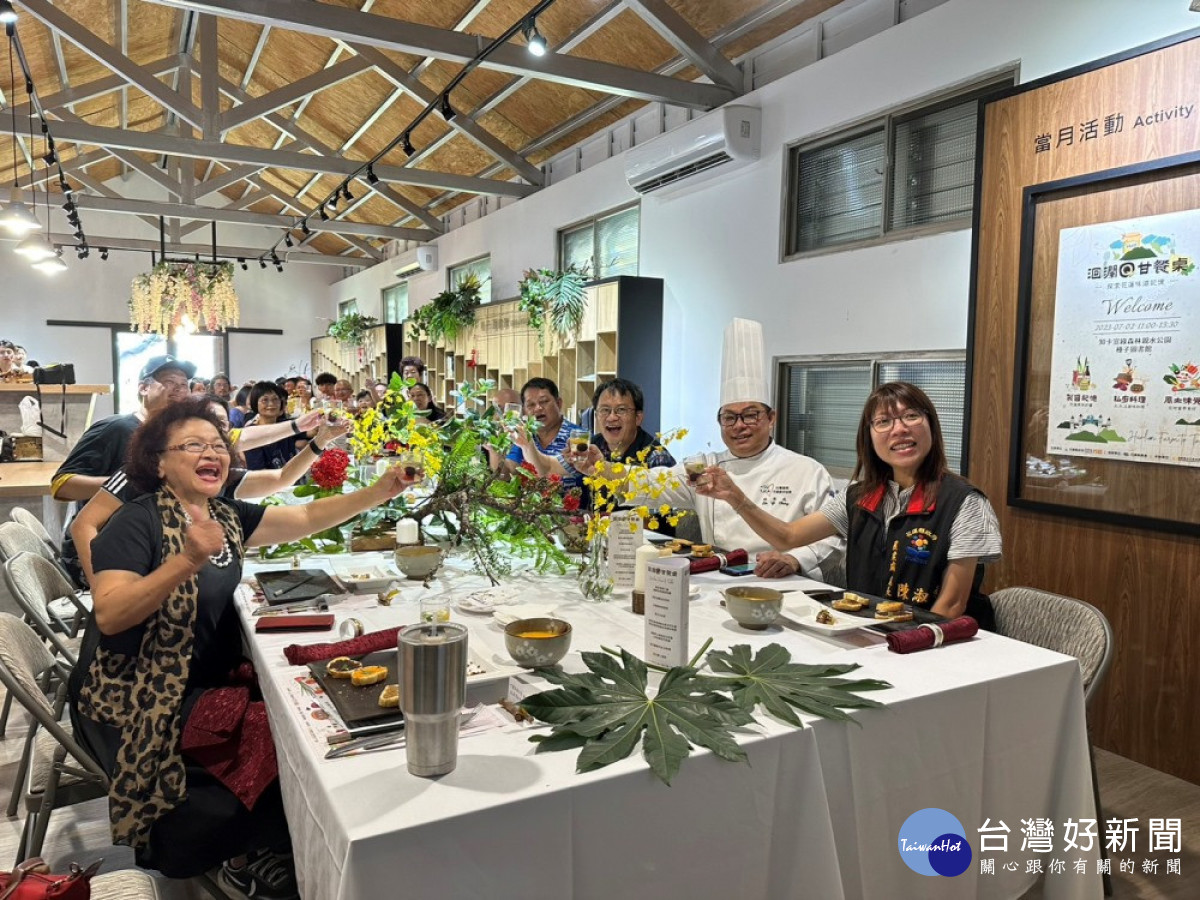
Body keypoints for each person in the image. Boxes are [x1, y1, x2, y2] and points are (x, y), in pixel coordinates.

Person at [68, 397, 418, 891]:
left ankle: (287, 846)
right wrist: (186, 560)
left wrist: (381, 491)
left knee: (303, 708)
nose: (211, 452)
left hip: (200, 676)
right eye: (192, 445)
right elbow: (110, 612)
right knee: (282, 733)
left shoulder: (225, 515)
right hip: (138, 694)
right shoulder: (137, 521)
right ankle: (247, 857)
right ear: (159, 462)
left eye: (217, 444)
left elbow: (303, 519)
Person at [698, 382, 1001, 626]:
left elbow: (950, 606)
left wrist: (903, 645)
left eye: (911, 416)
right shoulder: (859, 496)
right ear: (869, 437)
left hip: (933, 641)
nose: (899, 429)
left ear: (931, 426)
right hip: (868, 631)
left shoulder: (964, 501)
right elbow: (787, 537)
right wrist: (735, 497)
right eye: (883, 422)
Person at [594, 320, 843, 581]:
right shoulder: (704, 467)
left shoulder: (806, 470)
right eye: (730, 417)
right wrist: (598, 467)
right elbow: (648, 483)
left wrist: (793, 559)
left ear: (772, 418)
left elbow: (835, 538)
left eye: (750, 415)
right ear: (719, 422)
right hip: (719, 579)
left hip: (788, 583)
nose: (740, 426)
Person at [69, 401, 350, 587]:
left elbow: (282, 479)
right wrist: (102, 589)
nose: (211, 444)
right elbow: (84, 524)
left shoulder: (217, 478)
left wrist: (321, 439)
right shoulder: (140, 477)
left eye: (220, 433)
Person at [53, 355, 197, 584]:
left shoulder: (176, 437)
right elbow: (62, 485)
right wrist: (128, 484)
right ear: (143, 387)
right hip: (102, 554)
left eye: (184, 385)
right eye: (169, 383)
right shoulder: (116, 428)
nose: (179, 390)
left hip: (152, 544)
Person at [494, 377, 583, 489]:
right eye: (531, 405)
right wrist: (493, 447)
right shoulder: (526, 434)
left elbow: (547, 477)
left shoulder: (579, 437)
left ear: (559, 403)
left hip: (567, 505)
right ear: (524, 411)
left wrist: (528, 446)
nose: (538, 408)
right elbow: (506, 475)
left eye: (544, 401)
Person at [242, 381, 300, 470]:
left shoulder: (285, 426)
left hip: (293, 480)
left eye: (275, 399)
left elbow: (310, 431)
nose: (271, 404)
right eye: (265, 400)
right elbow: (258, 472)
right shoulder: (252, 433)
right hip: (268, 481)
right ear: (255, 403)